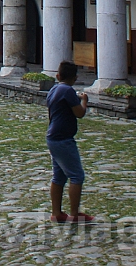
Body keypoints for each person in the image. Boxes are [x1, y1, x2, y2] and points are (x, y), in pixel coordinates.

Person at [46, 60, 92, 224]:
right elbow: (79, 113)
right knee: (76, 176)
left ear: (58, 75)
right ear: (74, 78)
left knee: (59, 176)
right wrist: (84, 100)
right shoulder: (67, 91)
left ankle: (56, 212)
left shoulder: (53, 89)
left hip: (52, 137)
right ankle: (74, 213)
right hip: (63, 138)